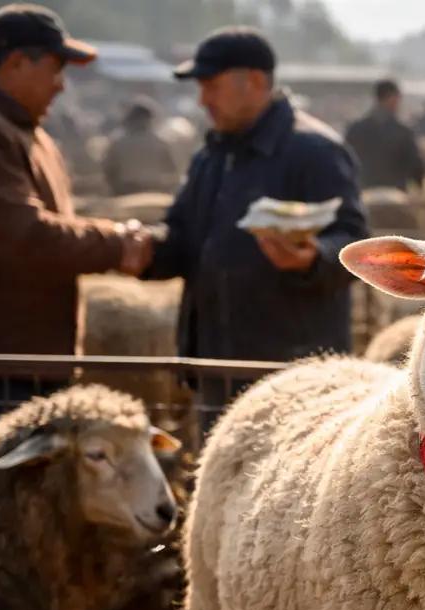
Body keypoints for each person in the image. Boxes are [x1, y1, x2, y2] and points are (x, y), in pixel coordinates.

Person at [0, 3, 152, 411]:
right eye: (55, 69)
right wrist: (115, 243)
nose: (60, 85)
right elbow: (23, 236)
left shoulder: (17, 130)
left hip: (14, 365)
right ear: (17, 62)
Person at [146, 27, 367, 369]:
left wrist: (312, 258)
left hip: (290, 374)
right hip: (214, 363)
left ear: (253, 82)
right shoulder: (211, 156)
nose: (202, 100)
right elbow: (182, 235)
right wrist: (140, 248)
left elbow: (352, 240)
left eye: (211, 87)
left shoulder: (316, 151)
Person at [345, 79, 425, 191]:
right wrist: (420, 186)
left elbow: (344, 161)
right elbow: (416, 166)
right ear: (392, 98)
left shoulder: (355, 129)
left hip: (362, 193)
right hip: (395, 194)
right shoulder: (402, 131)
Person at [102, 95, 180, 195]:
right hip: (155, 189)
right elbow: (172, 170)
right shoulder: (161, 141)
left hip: (127, 190)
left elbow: (108, 170)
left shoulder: (117, 141)